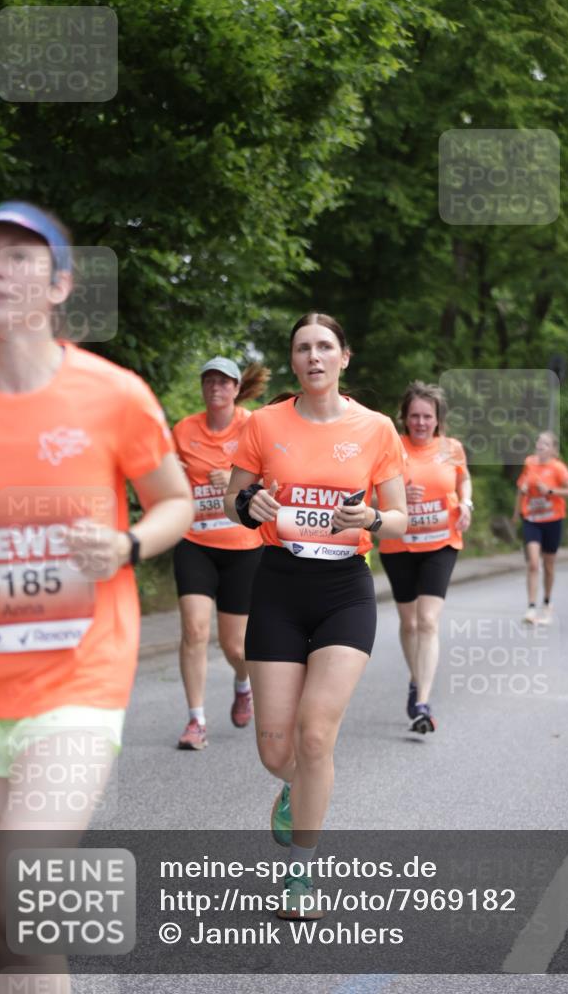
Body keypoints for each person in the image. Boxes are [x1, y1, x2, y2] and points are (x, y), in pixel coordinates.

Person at [0, 201, 193, 993]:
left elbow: (177, 500)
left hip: (75, 682)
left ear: (61, 285)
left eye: (20, 257)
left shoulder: (112, 395)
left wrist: (127, 544)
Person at [223, 312, 406, 918]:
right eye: (304, 348)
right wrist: (252, 504)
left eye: (326, 346)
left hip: (344, 592)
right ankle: (289, 787)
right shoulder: (264, 423)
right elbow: (233, 498)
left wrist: (373, 521)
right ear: (294, 361)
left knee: (316, 734)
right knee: (277, 751)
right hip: (277, 586)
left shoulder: (376, 428)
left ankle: (302, 876)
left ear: (344, 357)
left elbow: (399, 516)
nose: (315, 357)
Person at [172, 357, 268, 750]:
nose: (216, 387)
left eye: (224, 381)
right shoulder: (184, 430)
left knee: (236, 646)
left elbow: (275, 476)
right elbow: (169, 479)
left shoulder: (254, 425)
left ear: (235, 388)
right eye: (209, 380)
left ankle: (242, 683)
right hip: (195, 541)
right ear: (203, 387)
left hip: (242, 546)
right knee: (194, 630)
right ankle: (196, 721)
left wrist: (234, 480)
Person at [378, 381, 472, 734]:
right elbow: (372, 491)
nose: (420, 422)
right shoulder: (391, 447)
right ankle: (417, 680)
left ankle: (422, 703)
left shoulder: (452, 448)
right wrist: (399, 494)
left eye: (427, 416)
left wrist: (466, 503)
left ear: (437, 419)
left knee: (428, 620)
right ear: (404, 417)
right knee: (409, 623)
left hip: (441, 541)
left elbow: (464, 481)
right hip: (399, 544)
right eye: (414, 416)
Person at [512, 431, 568, 625]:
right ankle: (531, 607)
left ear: (553, 450)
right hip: (531, 519)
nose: (540, 445)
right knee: (533, 562)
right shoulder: (529, 463)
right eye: (539, 441)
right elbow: (521, 487)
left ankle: (547, 601)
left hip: (552, 520)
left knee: (548, 565)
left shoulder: (558, 468)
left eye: (545, 443)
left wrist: (550, 491)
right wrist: (517, 511)